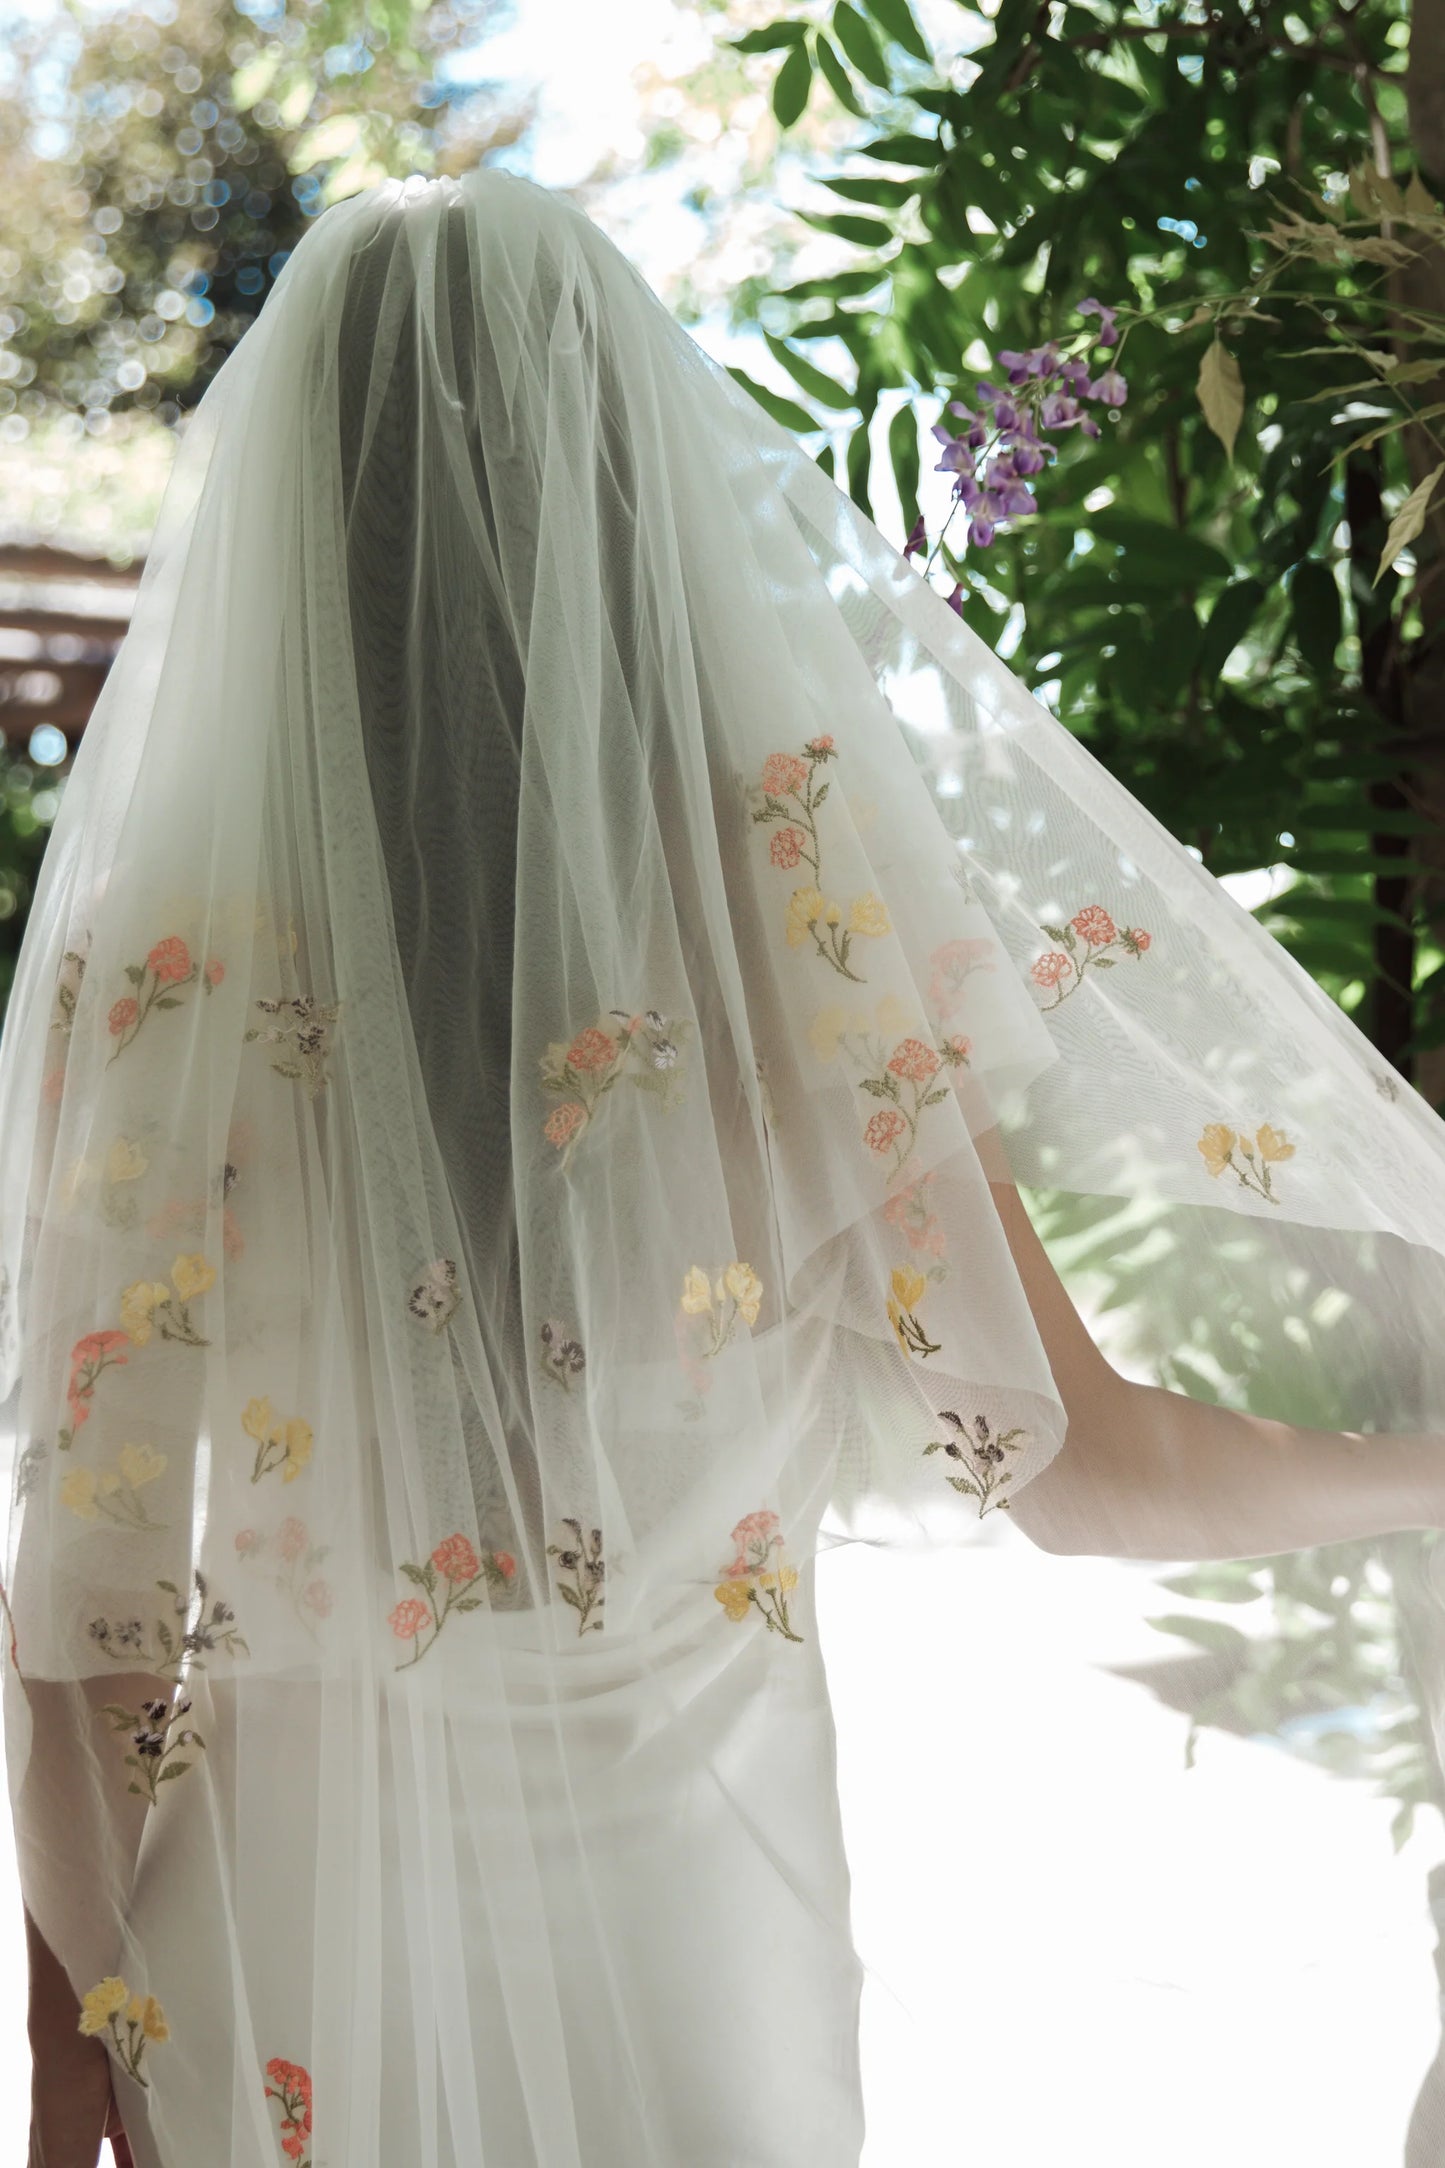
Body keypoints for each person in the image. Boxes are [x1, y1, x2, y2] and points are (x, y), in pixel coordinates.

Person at [4, 165, 1445, 2168]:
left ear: (301, 508)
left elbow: (92, 1609)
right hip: (691, 1970)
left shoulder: (165, 964)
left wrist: (76, 2045)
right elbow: (1084, 1474)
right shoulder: (787, 927)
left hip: (273, 1968)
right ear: (625, 487)